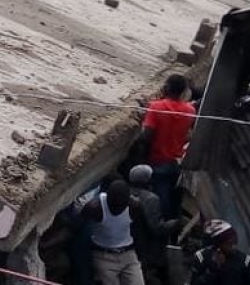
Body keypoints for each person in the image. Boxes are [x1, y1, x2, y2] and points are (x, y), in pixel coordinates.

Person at [139, 74, 197, 219]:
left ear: (166, 87)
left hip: (157, 161)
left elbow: (146, 135)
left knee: (158, 204)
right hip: (175, 164)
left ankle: (159, 230)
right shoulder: (190, 111)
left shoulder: (156, 107)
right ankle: (171, 228)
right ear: (183, 92)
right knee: (172, 203)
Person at [83, 180, 145, 285]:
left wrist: (140, 255)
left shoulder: (134, 207)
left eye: (121, 207)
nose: (117, 210)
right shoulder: (95, 208)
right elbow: (80, 228)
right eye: (114, 206)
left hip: (128, 255)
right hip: (104, 256)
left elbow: (139, 232)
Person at [129, 165, 181, 285]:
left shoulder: (126, 192)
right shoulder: (151, 199)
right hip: (148, 246)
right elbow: (157, 228)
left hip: (132, 242)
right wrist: (175, 223)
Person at [189, 220, 250, 285]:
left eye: (234, 242)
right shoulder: (202, 258)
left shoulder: (245, 261)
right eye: (229, 244)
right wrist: (214, 269)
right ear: (218, 245)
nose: (233, 247)